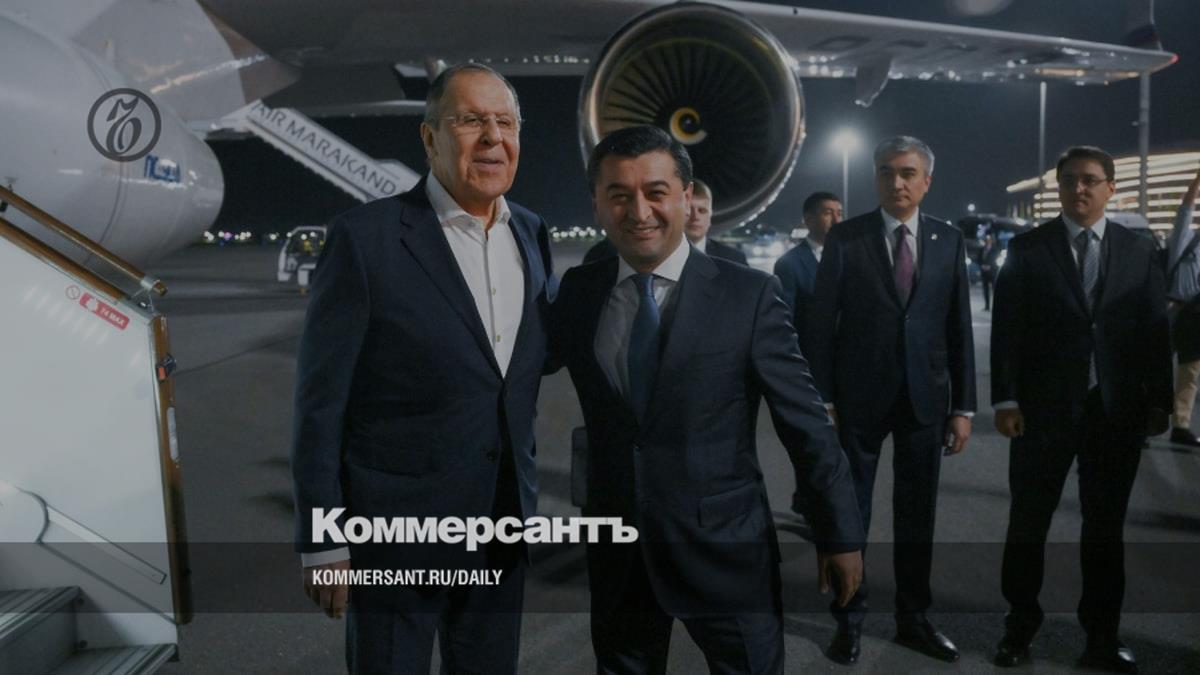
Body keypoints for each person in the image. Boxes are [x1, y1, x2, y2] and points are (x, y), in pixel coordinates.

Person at [551, 125, 864, 674]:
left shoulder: (749, 295)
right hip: (619, 553)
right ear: (597, 204)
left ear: (686, 196)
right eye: (619, 195)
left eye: (656, 192)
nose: (639, 211)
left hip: (726, 552)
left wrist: (839, 533)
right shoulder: (579, 292)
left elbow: (806, 424)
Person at [290, 64, 555, 674]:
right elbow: (319, 404)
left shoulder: (531, 233)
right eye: (470, 120)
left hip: (500, 528)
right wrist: (322, 540)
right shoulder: (366, 239)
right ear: (430, 137)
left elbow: (525, 357)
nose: (492, 137)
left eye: (505, 122)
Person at [990, 146, 1172, 673]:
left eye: (1090, 180)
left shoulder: (1139, 250)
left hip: (1114, 413)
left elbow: (1154, 329)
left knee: (1105, 529)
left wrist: (1160, 401)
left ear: (1111, 188)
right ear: (1059, 187)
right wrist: (1006, 398)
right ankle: (1019, 628)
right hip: (1041, 411)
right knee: (1028, 523)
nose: (1079, 189)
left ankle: (1102, 638)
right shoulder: (1028, 248)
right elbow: (1007, 330)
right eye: (1069, 180)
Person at [806, 135, 976, 665]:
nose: (896, 182)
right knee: (849, 512)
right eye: (886, 172)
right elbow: (820, 324)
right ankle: (849, 620)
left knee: (917, 515)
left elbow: (958, 327)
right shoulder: (847, 237)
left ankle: (913, 619)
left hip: (926, 400)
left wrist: (963, 407)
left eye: (907, 173)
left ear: (927, 181)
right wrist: (823, 398)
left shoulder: (949, 239)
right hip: (858, 398)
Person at [773, 190, 843, 516]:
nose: (836, 219)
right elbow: (785, 322)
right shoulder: (790, 264)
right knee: (814, 445)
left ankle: (825, 505)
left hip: (847, 369)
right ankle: (811, 505)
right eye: (828, 212)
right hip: (811, 370)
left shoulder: (849, 257)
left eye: (840, 212)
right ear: (809, 219)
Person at [583, 178, 747, 265]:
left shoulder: (734, 260)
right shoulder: (606, 254)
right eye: (689, 209)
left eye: (702, 211)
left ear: (710, 216)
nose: (695, 217)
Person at [1165, 167, 1200, 447]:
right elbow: (1185, 209)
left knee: (1190, 370)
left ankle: (1181, 425)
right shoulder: (1184, 239)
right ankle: (1142, 423)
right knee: (1155, 367)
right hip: (1172, 310)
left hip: (1196, 316)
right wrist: (1197, 180)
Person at [978, 232, 1001, 311]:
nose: (987, 241)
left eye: (989, 239)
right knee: (985, 290)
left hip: (992, 272)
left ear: (991, 240)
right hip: (984, 272)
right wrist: (982, 265)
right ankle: (987, 305)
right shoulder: (982, 249)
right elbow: (979, 258)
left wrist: (990, 266)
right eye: (986, 239)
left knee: (994, 289)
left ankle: (996, 305)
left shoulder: (995, 249)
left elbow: (996, 260)